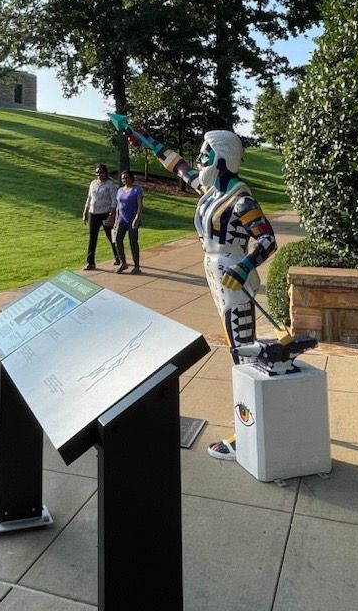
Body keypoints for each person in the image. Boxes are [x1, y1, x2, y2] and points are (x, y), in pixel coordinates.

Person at [108, 115, 281, 460]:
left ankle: (246, 429)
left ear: (220, 158)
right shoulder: (212, 190)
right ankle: (249, 422)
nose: (198, 161)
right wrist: (139, 135)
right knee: (237, 346)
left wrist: (245, 266)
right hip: (215, 271)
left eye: (204, 155)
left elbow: (267, 241)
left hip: (233, 275)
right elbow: (177, 165)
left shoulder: (240, 201)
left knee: (242, 349)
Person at [82, 164, 119, 270]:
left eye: (101, 172)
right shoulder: (93, 183)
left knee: (111, 237)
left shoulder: (110, 185)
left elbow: (114, 201)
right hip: (93, 213)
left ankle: (118, 257)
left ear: (106, 173)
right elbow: (89, 198)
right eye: (97, 172)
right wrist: (85, 212)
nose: (99, 174)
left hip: (105, 213)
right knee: (92, 238)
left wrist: (112, 215)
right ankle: (91, 262)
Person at [114, 170, 144, 274]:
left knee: (133, 243)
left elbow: (140, 205)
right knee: (118, 240)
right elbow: (118, 207)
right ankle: (123, 263)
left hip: (132, 220)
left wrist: (137, 218)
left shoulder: (137, 190)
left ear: (131, 178)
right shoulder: (120, 190)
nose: (125, 180)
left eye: (127, 177)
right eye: (123, 178)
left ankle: (136, 266)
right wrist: (116, 221)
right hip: (122, 220)